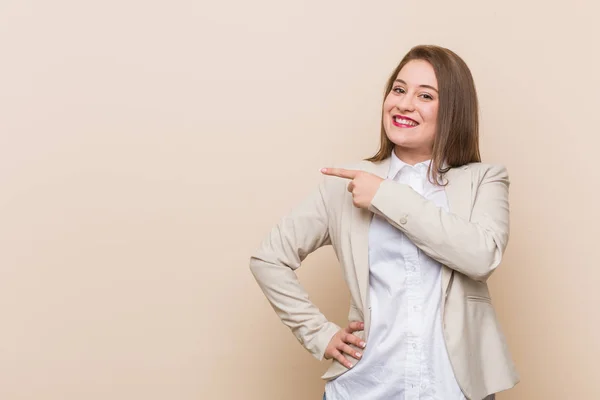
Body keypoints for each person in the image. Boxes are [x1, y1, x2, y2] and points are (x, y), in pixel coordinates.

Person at [249, 44, 519, 400]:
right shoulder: (344, 184)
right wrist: (318, 333)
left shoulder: (483, 180)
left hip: (452, 388)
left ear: (453, 109)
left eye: (425, 95)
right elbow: (268, 259)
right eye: (399, 89)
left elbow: (481, 257)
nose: (404, 104)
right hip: (366, 386)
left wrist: (385, 196)